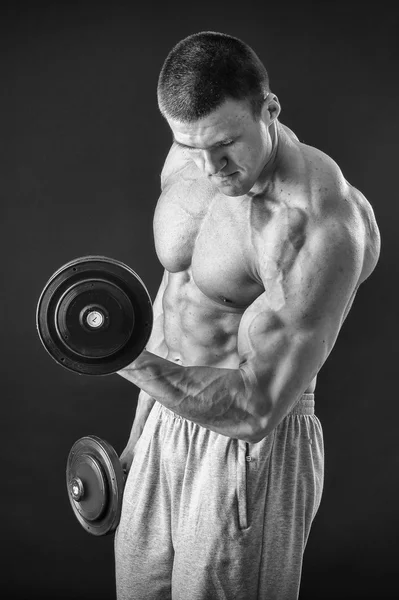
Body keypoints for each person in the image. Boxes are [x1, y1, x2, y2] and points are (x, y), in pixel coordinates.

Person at [114, 31, 380, 600]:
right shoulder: (191, 152)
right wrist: (140, 438)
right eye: (192, 146)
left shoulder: (315, 219)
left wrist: (119, 356)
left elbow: (256, 406)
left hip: (246, 452)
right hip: (166, 421)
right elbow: (173, 299)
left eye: (227, 144)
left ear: (269, 109)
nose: (211, 167)